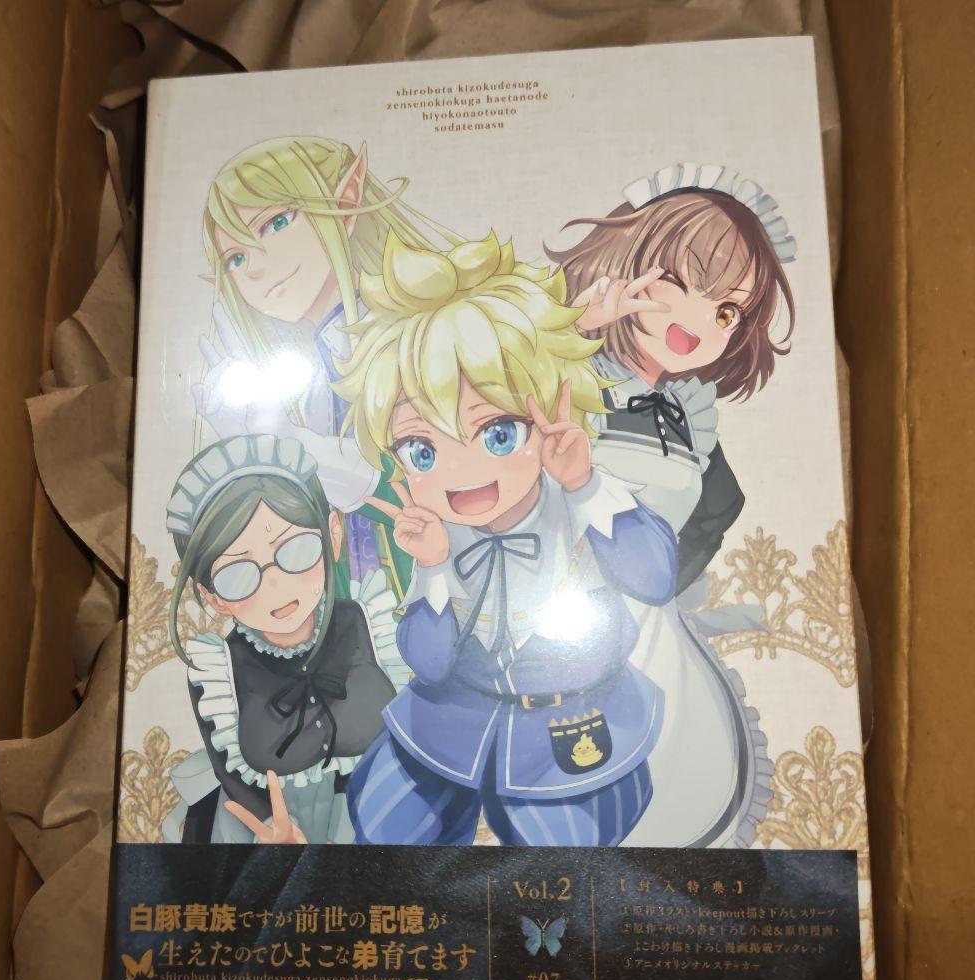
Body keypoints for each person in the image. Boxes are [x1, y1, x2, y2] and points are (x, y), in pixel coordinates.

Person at [334, 231, 678, 846]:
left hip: (574, 714)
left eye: (497, 434)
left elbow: (655, 579)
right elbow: (429, 663)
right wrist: (433, 567)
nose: (460, 472)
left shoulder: (579, 492)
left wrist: (584, 484)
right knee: (386, 823)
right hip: (453, 719)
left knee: (560, 862)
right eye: (421, 450)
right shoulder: (433, 530)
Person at [547, 162, 797, 846]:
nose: (698, 321)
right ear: (622, 265)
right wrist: (574, 331)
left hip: (653, 632)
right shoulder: (565, 370)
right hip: (555, 638)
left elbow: (719, 507)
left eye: (726, 311)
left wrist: (660, 583)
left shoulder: (687, 410)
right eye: (679, 283)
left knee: (684, 792)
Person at [192, 136, 458, 599]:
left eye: (276, 223)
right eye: (235, 258)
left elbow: (430, 479)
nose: (256, 268)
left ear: (346, 201)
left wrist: (291, 446)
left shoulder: (419, 335)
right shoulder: (307, 376)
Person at [161, 434, 401, 844]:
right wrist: (276, 835)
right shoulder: (219, 672)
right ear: (212, 596)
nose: (275, 585)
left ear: (333, 535)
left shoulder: (370, 622)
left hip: (376, 811)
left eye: (296, 549)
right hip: (268, 829)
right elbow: (233, 777)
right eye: (237, 574)